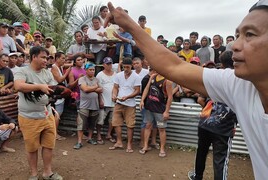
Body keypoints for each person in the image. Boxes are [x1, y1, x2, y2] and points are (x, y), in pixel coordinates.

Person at [104, 2, 268, 179]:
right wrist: (130, 25)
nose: (235, 45)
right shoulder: (239, 84)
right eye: (237, 35)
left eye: (250, 34)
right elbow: (173, 66)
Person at [14, 46, 62, 180]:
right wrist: (39, 86)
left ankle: (48, 172)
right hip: (29, 117)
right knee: (32, 147)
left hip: (46, 115)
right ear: (33, 57)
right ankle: (34, 174)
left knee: (48, 145)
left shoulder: (47, 73)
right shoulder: (22, 71)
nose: (46, 60)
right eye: (43, 57)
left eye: (47, 58)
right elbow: (18, 86)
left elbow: (52, 89)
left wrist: (57, 97)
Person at [188, 51, 237, 180]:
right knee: (220, 159)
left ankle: (197, 176)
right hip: (224, 126)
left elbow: (200, 99)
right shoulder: (241, 79)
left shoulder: (214, 76)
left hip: (205, 122)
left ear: (222, 63)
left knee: (201, 151)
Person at [109, 57, 141, 153]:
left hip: (130, 104)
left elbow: (137, 91)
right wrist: (114, 95)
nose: (126, 69)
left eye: (128, 67)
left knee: (130, 125)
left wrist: (127, 97)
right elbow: (115, 87)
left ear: (132, 66)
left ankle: (129, 144)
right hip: (119, 102)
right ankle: (119, 142)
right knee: (116, 123)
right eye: (124, 67)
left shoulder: (136, 77)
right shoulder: (118, 75)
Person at [139, 72, 173, 157]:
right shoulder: (153, 77)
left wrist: (167, 111)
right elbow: (147, 89)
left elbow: (170, 97)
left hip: (160, 109)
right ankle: (145, 146)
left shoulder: (167, 81)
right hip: (149, 107)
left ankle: (162, 149)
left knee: (161, 128)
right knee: (148, 126)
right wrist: (142, 100)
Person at [73, 62, 102, 149]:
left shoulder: (96, 79)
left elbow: (101, 90)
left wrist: (93, 90)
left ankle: (89, 138)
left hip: (95, 105)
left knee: (92, 124)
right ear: (86, 70)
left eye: (93, 70)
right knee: (81, 124)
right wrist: (95, 88)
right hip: (84, 105)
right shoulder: (82, 79)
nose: (92, 71)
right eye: (90, 70)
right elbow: (85, 89)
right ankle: (79, 141)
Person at [96, 57, 117, 144]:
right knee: (100, 120)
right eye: (107, 64)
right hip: (104, 101)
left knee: (112, 120)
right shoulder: (100, 75)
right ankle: (98, 135)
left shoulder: (115, 74)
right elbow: (98, 89)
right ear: (104, 65)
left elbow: (116, 87)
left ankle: (109, 134)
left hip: (113, 101)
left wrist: (115, 95)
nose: (109, 65)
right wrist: (100, 100)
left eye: (110, 63)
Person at [51, 52, 71, 140]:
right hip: (56, 93)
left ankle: (55, 132)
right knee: (57, 114)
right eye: (62, 58)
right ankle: (54, 134)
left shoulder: (60, 66)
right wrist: (67, 72)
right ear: (57, 58)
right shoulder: (54, 67)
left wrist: (71, 64)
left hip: (59, 93)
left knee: (58, 113)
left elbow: (67, 65)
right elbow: (59, 79)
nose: (64, 60)